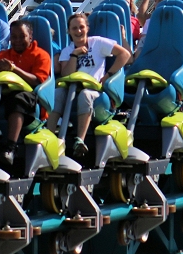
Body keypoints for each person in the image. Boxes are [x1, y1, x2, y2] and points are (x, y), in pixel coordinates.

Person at [0, 20, 51, 169]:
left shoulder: (41, 55)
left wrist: (14, 69)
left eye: (22, 36)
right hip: (1, 92)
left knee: (16, 100)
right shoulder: (4, 54)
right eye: (14, 37)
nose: (17, 41)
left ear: (30, 36)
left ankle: (11, 147)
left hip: (28, 95)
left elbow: (37, 80)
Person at [53, 14, 131, 158]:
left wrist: (108, 75)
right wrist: (74, 55)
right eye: (74, 28)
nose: (78, 31)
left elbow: (125, 55)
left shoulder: (98, 43)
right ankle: (51, 137)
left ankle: (80, 140)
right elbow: (66, 75)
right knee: (58, 94)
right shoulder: (67, 51)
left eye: (81, 27)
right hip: (72, 90)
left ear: (87, 28)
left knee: (85, 95)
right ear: (69, 31)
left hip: (95, 92)